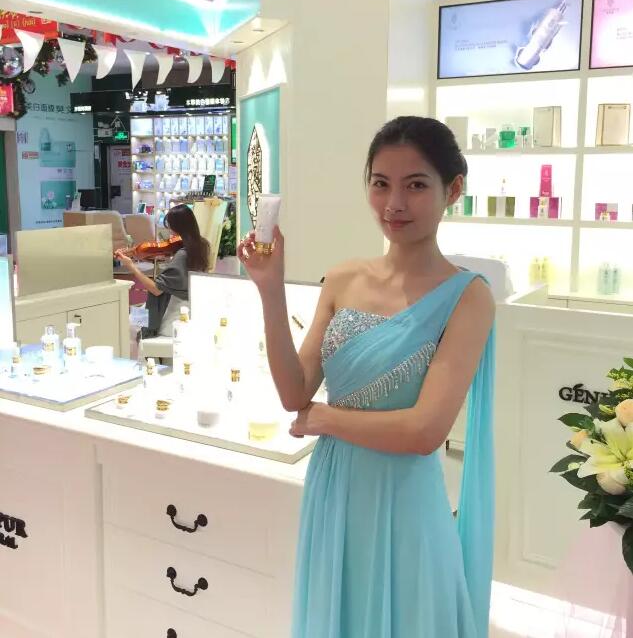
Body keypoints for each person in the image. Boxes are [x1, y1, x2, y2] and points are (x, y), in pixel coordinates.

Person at [238, 116, 496, 638]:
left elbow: (425, 432)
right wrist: (270, 289)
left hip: (405, 503)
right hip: (335, 490)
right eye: (381, 184)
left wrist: (324, 419)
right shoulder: (343, 278)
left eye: (415, 185)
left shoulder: (468, 297)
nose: (394, 203)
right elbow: (294, 392)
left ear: (453, 190)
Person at [115, 203, 210, 338]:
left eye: (171, 228)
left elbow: (156, 289)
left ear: (178, 227)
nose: (170, 233)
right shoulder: (202, 245)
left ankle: (145, 348)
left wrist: (131, 266)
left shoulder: (182, 255)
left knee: (131, 321)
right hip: (193, 305)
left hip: (172, 309)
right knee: (136, 314)